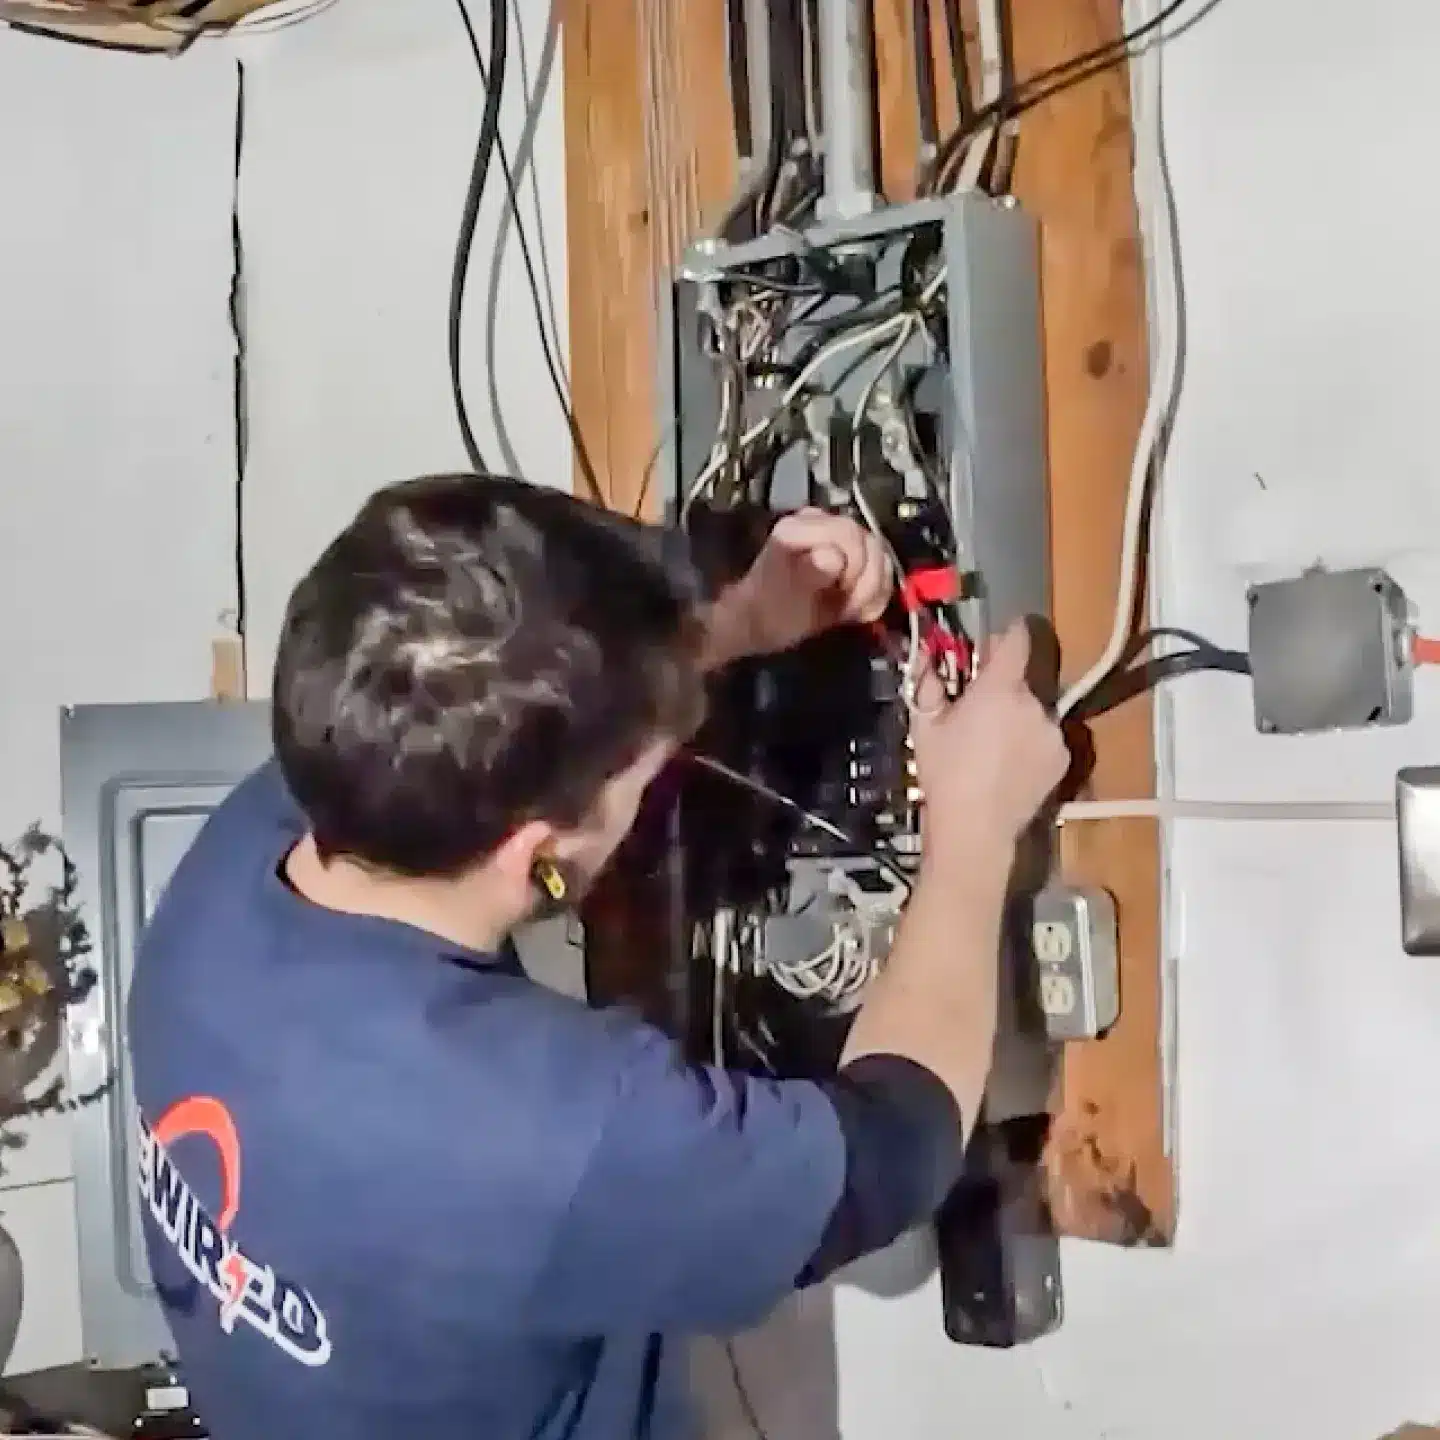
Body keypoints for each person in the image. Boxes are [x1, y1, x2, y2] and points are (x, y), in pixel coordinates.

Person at [128, 473, 1068, 1440]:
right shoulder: (547, 1132)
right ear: (539, 858)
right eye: (652, 765)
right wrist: (973, 823)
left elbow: (476, 664)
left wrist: (732, 623)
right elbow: (899, 1148)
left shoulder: (232, 867)